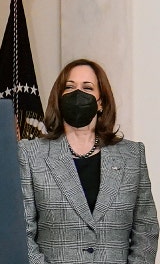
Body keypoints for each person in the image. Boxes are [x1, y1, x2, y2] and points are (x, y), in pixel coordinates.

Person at [18, 58, 159, 263]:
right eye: (69, 87)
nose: (78, 94)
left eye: (87, 87)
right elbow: (22, 233)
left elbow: (146, 231)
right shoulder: (30, 154)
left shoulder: (132, 155)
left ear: (101, 102)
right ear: (59, 98)